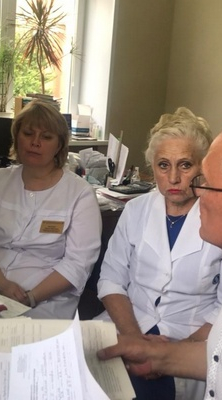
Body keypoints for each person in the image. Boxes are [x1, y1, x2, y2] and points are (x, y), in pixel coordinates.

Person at [95, 107, 222, 400]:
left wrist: (171, 352)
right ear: (152, 168)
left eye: (185, 165)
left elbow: (221, 309)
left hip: (188, 338)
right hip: (128, 324)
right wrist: (133, 337)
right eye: (164, 165)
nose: (174, 178)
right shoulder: (135, 210)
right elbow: (111, 279)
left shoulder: (216, 220)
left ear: (203, 169)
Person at [0, 99, 102, 319]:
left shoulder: (80, 193)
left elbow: (78, 264)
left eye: (46, 137)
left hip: (44, 303)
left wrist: (30, 297)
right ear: (16, 137)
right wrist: (1, 285)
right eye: (28, 133)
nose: (35, 142)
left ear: (59, 145)